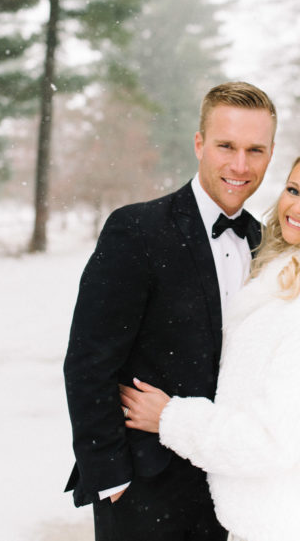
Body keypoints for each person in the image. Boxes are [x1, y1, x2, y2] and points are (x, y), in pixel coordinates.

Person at [120, 145, 300, 541]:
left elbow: (270, 440)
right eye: (294, 190)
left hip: (286, 524)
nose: (298, 208)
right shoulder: (286, 274)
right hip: (260, 515)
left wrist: (171, 418)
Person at [63, 81, 277, 541]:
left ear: (270, 154)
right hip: (146, 490)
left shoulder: (267, 246)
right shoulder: (137, 230)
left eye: (255, 150)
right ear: (199, 144)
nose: (240, 165)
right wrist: (111, 478)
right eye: (226, 146)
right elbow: (88, 361)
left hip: (231, 490)